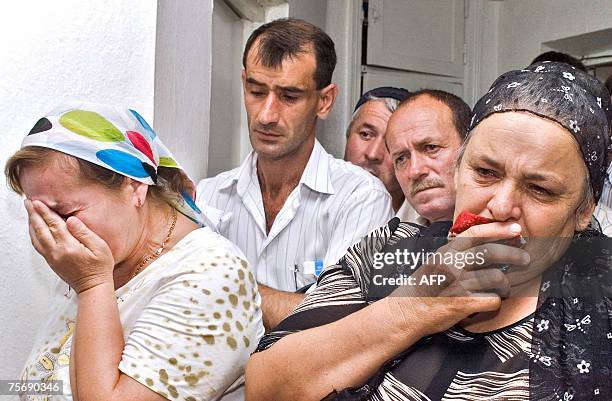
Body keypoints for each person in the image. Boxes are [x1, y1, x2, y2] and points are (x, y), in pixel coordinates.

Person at [245, 62, 612, 401]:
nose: (500, 205)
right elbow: (265, 387)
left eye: (540, 189)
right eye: (485, 172)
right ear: (458, 170)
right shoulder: (388, 250)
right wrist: (413, 307)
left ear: (583, 211)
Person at [6, 102, 264, 401]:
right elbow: (48, 382)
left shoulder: (212, 275)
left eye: (64, 212)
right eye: (38, 215)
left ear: (134, 186)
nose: (53, 232)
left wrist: (91, 285)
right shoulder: (100, 254)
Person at [196, 18, 393, 330]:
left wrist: (219, 286)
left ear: (324, 101)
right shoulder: (208, 196)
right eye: (256, 91)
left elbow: (340, 324)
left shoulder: (361, 199)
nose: (266, 115)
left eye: (289, 97)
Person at [385, 89, 471, 225]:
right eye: (401, 159)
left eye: (431, 148)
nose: (415, 171)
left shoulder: (512, 231)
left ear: (470, 147)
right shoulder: (391, 238)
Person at [344, 86, 410, 214]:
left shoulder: (427, 223)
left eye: (390, 143)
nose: (373, 154)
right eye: (365, 134)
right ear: (348, 134)